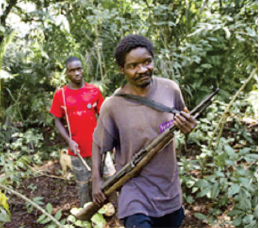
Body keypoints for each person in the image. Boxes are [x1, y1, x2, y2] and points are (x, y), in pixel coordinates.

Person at [92, 35, 197, 228]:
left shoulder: (170, 89)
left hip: (168, 187)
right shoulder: (112, 106)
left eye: (147, 62)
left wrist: (188, 129)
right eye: (133, 66)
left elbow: (185, 119)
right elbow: (99, 144)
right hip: (134, 190)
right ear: (121, 69)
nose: (142, 70)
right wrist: (96, 181)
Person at [50, 56, 115, 207]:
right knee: (84, 186)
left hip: (99, 147)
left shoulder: (93, 90)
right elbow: (57, 120)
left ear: (83, 69)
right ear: (67, 73)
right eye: (72, 70)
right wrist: (69, 141)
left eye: (79, 69)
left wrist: (110, 140)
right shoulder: (61, 95)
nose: (76, 73)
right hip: (77, 150)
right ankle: (89, 215)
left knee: (110, 179)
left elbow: (105, 117)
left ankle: (115, 212)